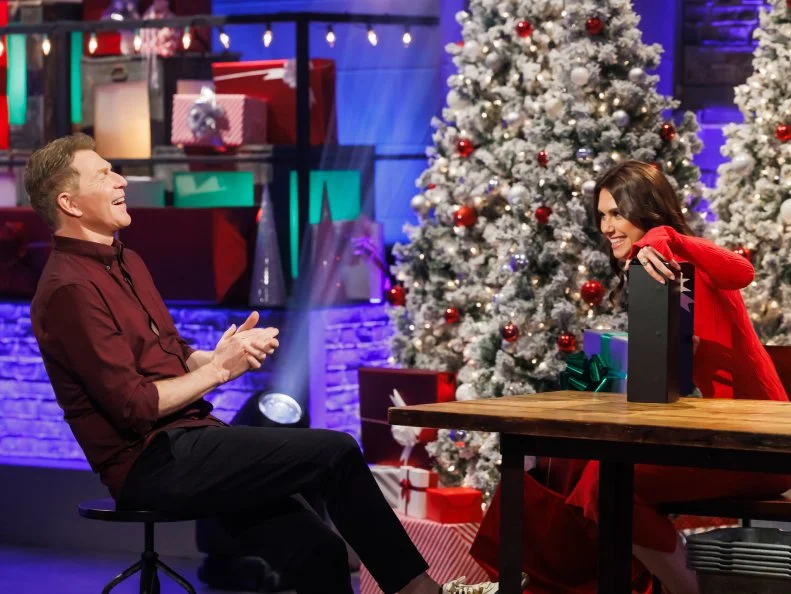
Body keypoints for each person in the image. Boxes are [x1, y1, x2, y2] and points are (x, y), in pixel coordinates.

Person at [26, 133, 498, 594]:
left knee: (319, 552)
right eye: (104, 174)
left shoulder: (128, 261)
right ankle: (417, 588)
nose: (121, 180)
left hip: (194, 440)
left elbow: (168, 347)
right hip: (149, 463)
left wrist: (217, 355)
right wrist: (218, 372)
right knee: (335, 453)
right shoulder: (69, 290)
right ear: (70, 203)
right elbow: (135, 405)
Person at [470, 161, 791, 594]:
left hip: (758, 446)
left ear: (647, 209)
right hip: (721, 436)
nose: (607, 226)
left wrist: (664, 237)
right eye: (602, 215)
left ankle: (683, 587)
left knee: (602, 485)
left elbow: (743, 272)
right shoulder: (658, 268)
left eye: (617, 213)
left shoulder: (673, 257)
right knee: (575, 472)